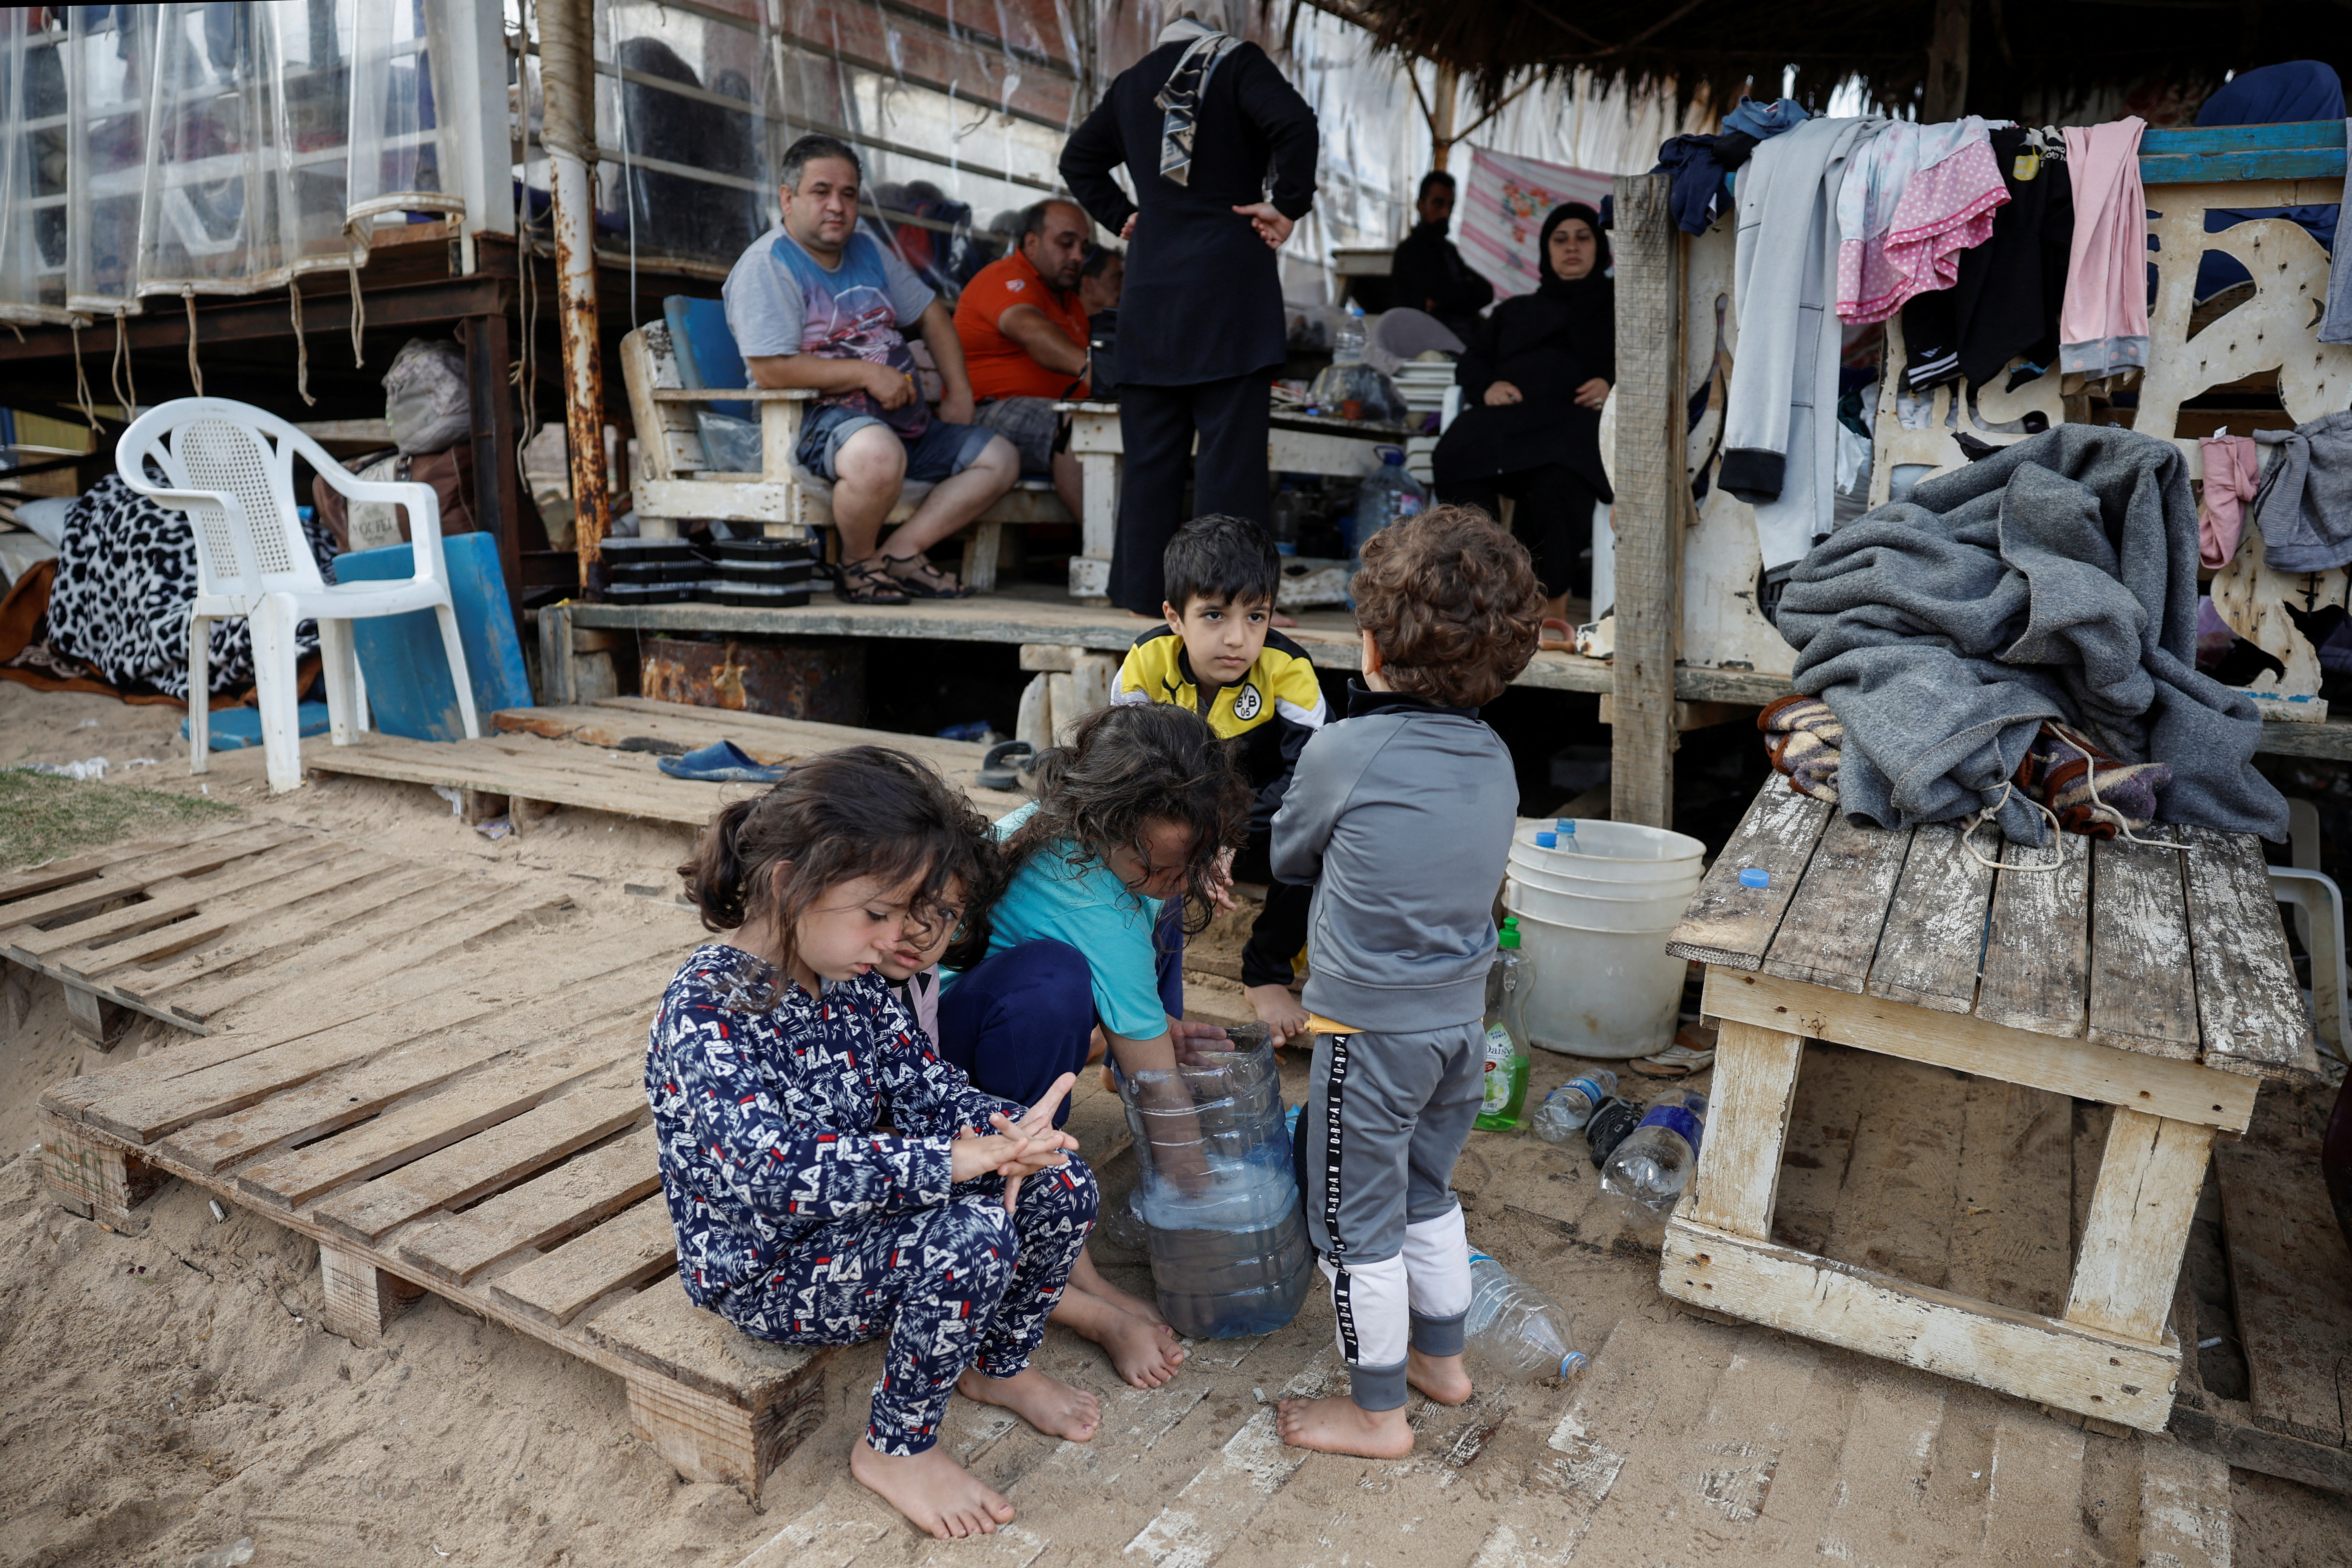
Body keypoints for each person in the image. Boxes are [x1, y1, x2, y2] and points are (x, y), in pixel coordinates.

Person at [645, 748, 1100, 1540]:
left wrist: (1003, 1128)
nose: (895, 939)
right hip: (769, 1265)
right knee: (970, 1236)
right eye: (877, 913)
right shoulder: (707, 1007)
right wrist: (952, 1162)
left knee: (1064, 1179)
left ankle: (996, 1362)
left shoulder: (851, 981)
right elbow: (771, 1170)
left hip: (861, 1222)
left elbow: (925, 1086)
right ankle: (896, 1445)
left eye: (906, 916)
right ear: (789, 881)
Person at [1270, 506, 1544, 1458]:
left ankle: (1377, 1412)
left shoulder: (1346, 748)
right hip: (1457, 1028)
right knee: (1428, 1193)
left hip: (1367, 1032)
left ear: (1371, 644)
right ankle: (1444, 1360)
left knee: (1352, 1222)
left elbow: (1290, 851)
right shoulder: (1497, 757)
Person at [935, 701, 1254, 1386]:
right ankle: (1059, 1260)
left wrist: (1147, 1034)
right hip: (940, 1064)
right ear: (1104, 823)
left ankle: (1117, 1056)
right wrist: (1207, 1206)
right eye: (1158, 863)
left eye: (1190, 861)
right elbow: (1162, 1091)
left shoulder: (1117, 854)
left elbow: (1143, 914)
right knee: (1055, 983)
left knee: (1154, 910)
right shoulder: (1087, 893)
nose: (1177, 879)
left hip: (995, 1011)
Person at [1060, 16, 1318, 615]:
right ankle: (1229, 605)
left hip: (1152, 286)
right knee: (1230, 457)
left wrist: (1123, 213)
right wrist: (1286, 206)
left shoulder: (1132, 84)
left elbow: (1079, 160)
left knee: (1152, 454)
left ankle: (1142, 598)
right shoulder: (1238, 62)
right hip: (1229, 280)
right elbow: (1296, 124)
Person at [724, 135, 1019, 604]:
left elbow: (932, 315)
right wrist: (866, 374)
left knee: (1000, 458)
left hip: (902, 422)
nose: (837, 206)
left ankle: (900, 554)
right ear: (788, 198)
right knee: (877, 455)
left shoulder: (867, 249)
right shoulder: (769, 264)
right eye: (821, 192)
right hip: (814, 427)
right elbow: (771, 370)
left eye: (848, 194)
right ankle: (858, 565)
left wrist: (958, 390)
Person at [1112, 514, 1327, 1043]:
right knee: (1119, 830)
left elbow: (1311, 782)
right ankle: (1131, 974)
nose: (1237, 639)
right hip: (1175, 815)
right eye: (1213, 615)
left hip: (1267, 820)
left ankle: (1267, 971)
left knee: (1321, 841)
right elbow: (1120, 769)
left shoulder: (1289, 670)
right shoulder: (1145, 663)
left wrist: (1228, 831)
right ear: (1174, 617)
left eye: (1257, 616)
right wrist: (1198, 834)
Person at [1431, 202, 1615, 625]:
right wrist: (1488, 386)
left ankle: (1547, 604)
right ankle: (1481, 584)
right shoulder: (1513, 311)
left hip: (1575, 422)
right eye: (1560, 239)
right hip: (1510, 421)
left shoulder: (1619, 306)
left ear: (1599, 249)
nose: (1572, 248)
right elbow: (1473, 362)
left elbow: (1646, 359)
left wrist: (1612, 383)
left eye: (1583, 238)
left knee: (1559, 479)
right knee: (1456, 453)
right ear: (1546, 250)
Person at [955, 199, 1094, 520]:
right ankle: (1114, 555)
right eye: (1066, 243)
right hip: (986, 413)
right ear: (1031, 243)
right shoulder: (1005, 276)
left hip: (1052, 413)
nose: (1078, 257)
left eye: (1084, 248)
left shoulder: (1070, 301)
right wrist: (1090, 367)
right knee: (1078, 428)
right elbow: (1030, 329)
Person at [1388, 171, 1493, 341]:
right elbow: (1442, 293)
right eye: (1438, 204)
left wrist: (1446, 299)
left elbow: (1485, 292)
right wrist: (1460, 290)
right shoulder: (1411, 250)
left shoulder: (1447, 250)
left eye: (1450, 206)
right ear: (1421, 205)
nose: (1445, 213)